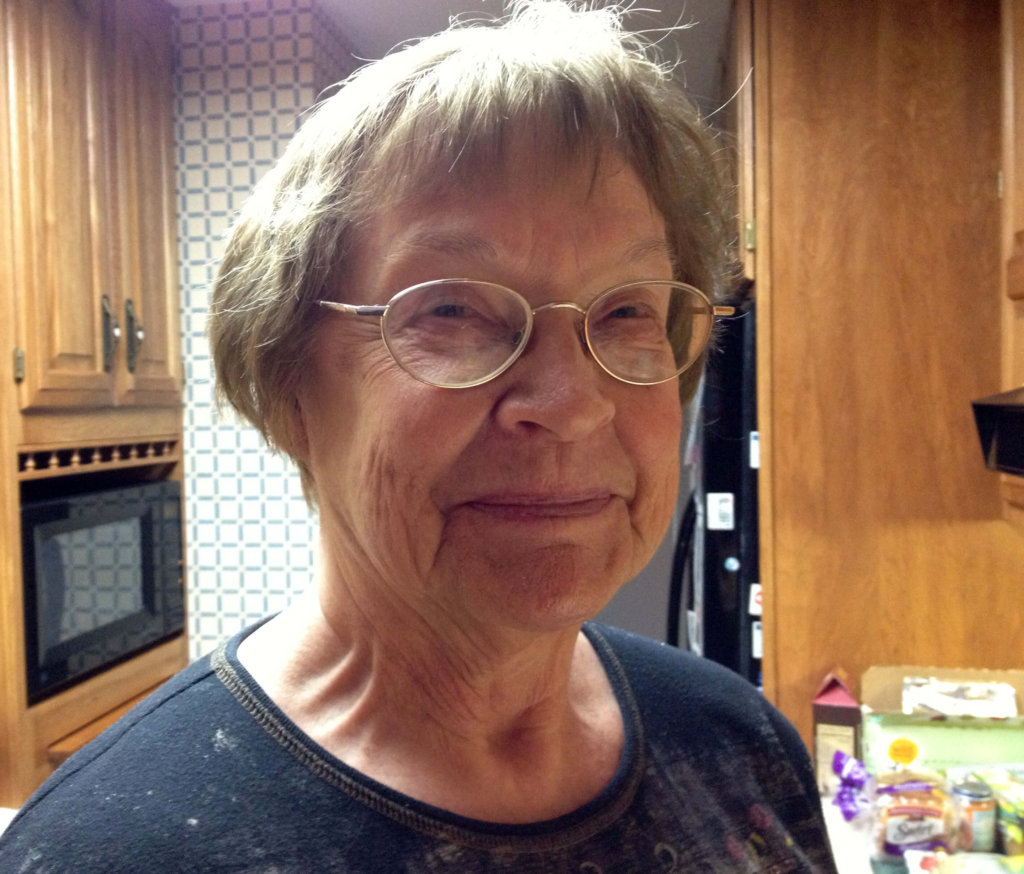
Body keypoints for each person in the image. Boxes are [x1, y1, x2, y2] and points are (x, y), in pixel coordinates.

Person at [0, 2, 838, 871]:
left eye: (627, 310)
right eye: (452, 309)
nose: (573, 403)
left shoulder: (744, 749)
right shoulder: (101, 850)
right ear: (288, 384)